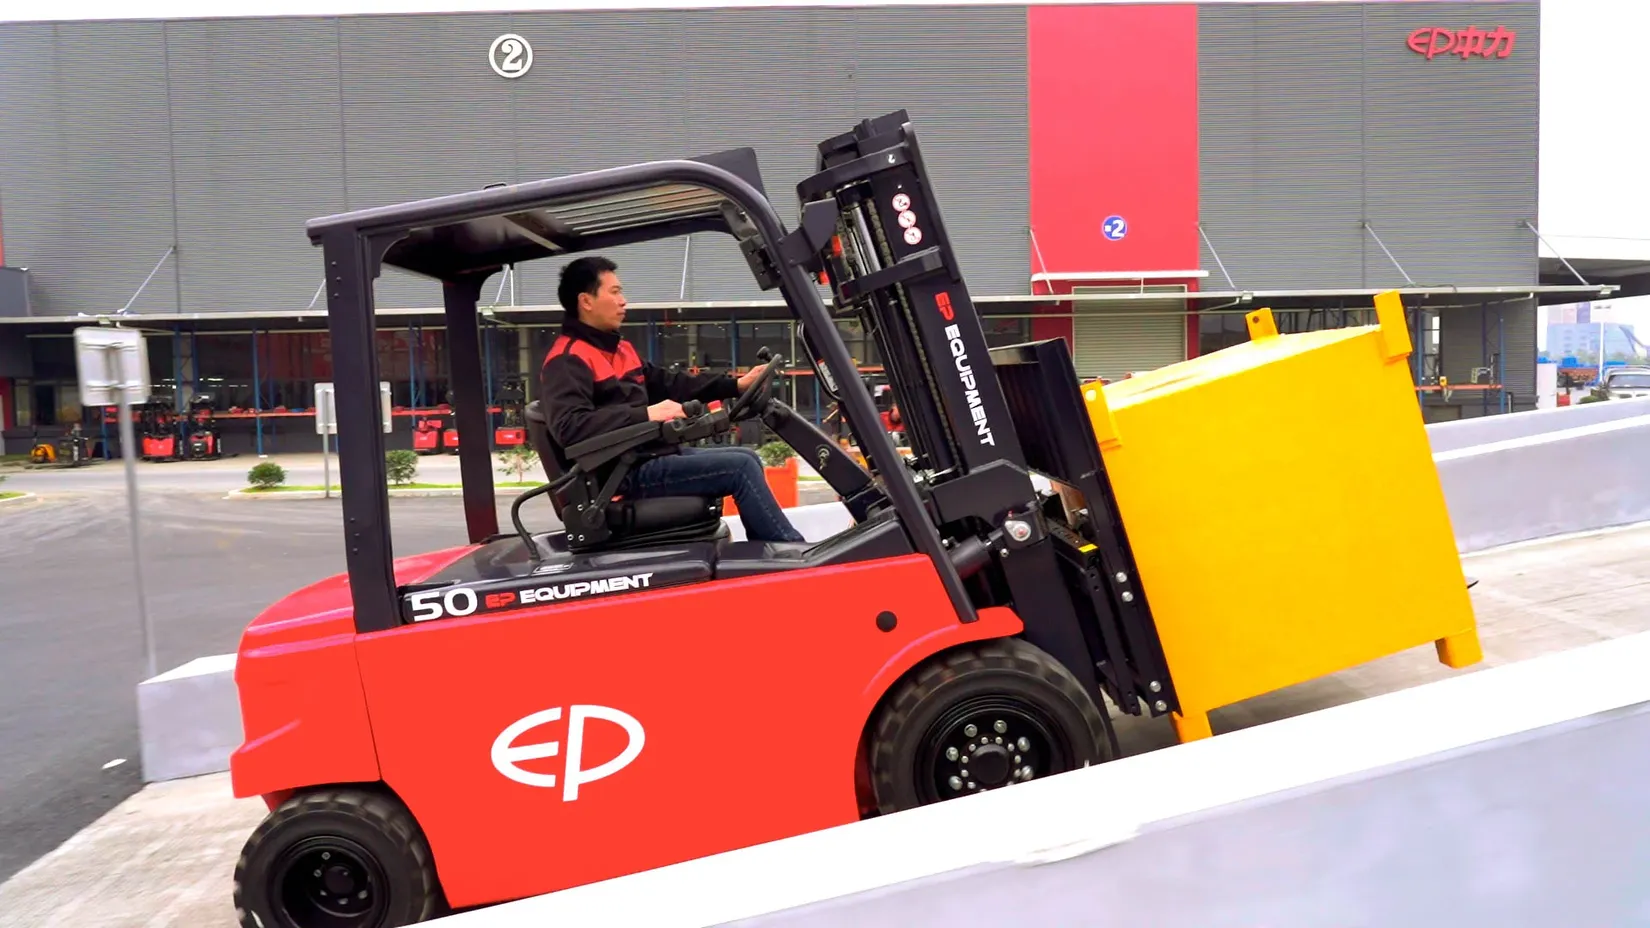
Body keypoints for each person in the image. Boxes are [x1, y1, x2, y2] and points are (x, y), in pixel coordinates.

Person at [538, 255, 804, 543]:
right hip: (621, 474)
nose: (623, 301)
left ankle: (769, 549)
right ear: (586, 301)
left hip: (648, 457)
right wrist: (647, 414)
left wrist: (735, 385)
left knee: (748, 456)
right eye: (614, 292)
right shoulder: (567, 360)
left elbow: (672, 383)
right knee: (741, 468)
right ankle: (788, 547)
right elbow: (569, 427)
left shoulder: (621, 350)